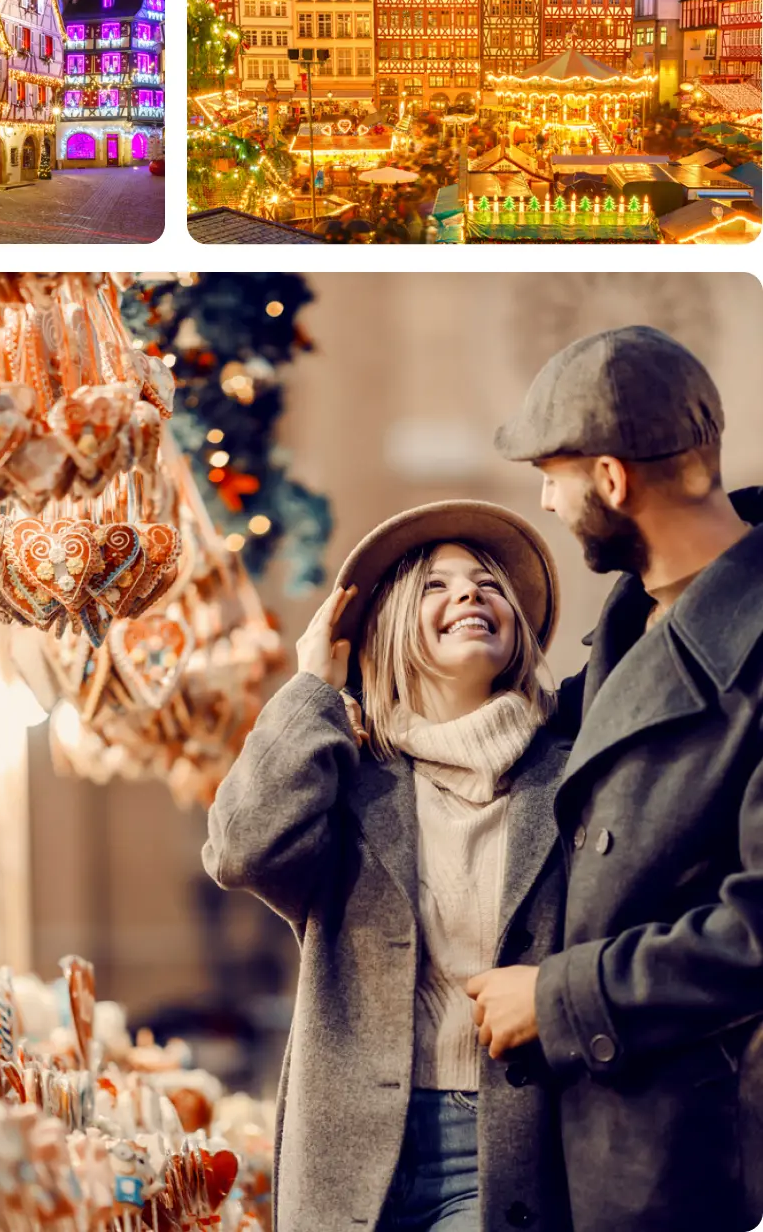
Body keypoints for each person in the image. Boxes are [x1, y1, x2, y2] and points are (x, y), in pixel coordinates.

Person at [203, 502, 578, 1232]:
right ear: (393, 630)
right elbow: (239, 848)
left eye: (486, 583)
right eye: (435, 585)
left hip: (507, 1146)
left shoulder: (571, 777)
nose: (468, 594)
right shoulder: (351, 782)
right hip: (349, 1150)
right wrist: (312, 686)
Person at [470, 325, 763, 1232]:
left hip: (700, 1161)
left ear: (610, 480)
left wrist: (556, 998)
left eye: (551, 475)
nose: (545, 502)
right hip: (585, 1146)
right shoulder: (629, 627)